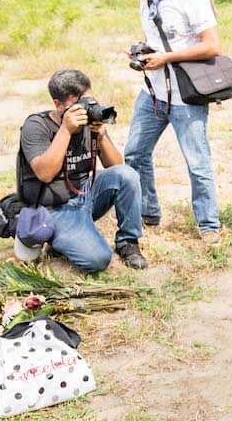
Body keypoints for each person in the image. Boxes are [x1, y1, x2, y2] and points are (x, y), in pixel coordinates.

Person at [117, 0, 223, 247]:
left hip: (186, 97)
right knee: (135, 152)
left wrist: (166, 58)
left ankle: (208, 224)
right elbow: (161, 40)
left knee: (197, 162)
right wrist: (143, 53)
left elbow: (212, 45)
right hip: (152, 93)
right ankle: (148, 214)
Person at [17, 69, 148, 272]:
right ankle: (55, 238)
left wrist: (102, 137)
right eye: (76, 106)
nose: (84, 110)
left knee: (127, 175)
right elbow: (45, 173)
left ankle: (127, 242)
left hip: (85, 193)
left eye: (87, 102)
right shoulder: (36, 126)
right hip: (56, 208)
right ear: (57, 104)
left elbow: (117, 168)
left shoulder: (89, 121)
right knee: (98, 260)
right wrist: (66, 130)